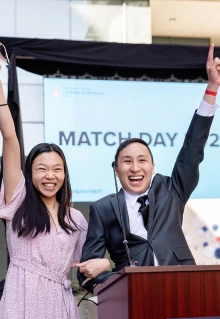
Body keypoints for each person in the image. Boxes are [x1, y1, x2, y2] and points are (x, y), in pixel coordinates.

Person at [77, 44, 220, 292]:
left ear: (153, 166)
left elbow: (192, 149)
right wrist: (113, 276)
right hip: (135, 299)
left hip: (184, 288)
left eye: (142, 160)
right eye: (127, 161)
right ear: (116, 169)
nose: (135, 168)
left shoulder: (171, 190)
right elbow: (87, 277)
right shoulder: (102, 209)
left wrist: (212, 89)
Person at [0, 60, 109, 319]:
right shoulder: (19, 202)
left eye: (57, 169)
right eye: (42, 169)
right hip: (20, 300)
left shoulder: (76, 219)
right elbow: (10, 138)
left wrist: (105, 263)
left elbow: (89, 265)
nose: (50, 175)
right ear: (30, 173)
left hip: (59, 304)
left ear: (65, 174)